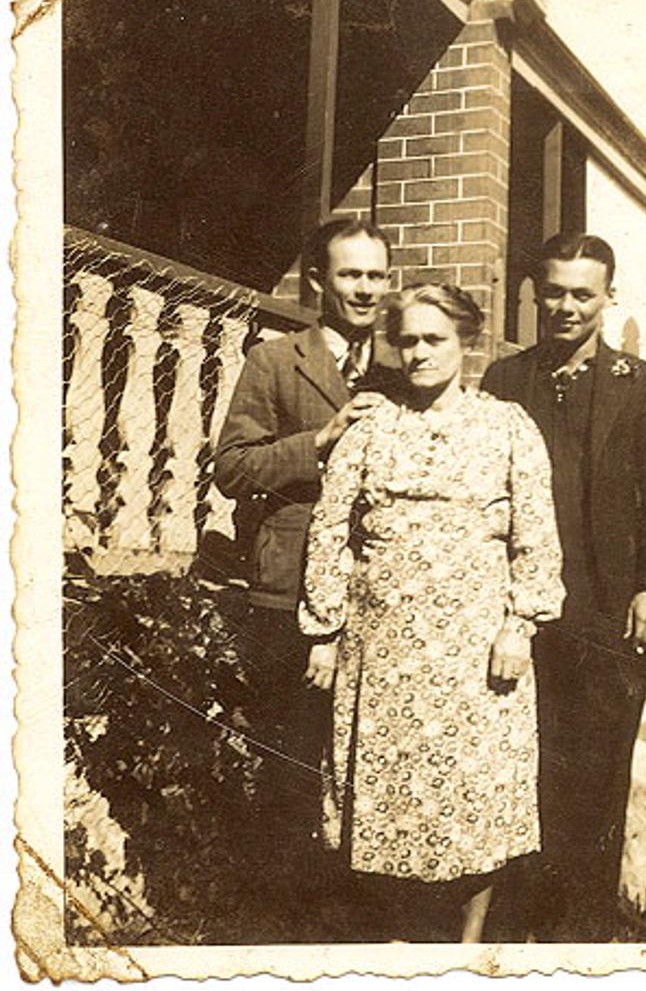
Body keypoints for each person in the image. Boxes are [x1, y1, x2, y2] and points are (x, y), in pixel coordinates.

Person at [298, 283, 565, 943]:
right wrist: (324, 631)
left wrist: (518, 624)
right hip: (382, 647)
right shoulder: (369, 424)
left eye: (433, 339)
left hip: (474, 648)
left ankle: (467, 946)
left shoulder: (507, 425)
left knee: (475, 790)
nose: (418, 353)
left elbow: (537, 534)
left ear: (465, 341)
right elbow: (331, 529)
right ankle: (396, 940)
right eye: (407, 340)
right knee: (385, 791)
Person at [481, 232, 646, 941]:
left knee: (599, 774)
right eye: (555, 291)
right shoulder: (505, 380)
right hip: (526, 612)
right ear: (537, 292)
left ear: (608, 296)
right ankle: (515, 927)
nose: (566, 306)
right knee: (527, 767)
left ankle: (583, 936)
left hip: (608, 610)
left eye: (582, 293)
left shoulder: (642, 381)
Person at [213, 216, 400, 937]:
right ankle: (275, 922)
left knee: (362, 755)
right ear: (319, 280)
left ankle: (348, 915)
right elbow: (233, 468)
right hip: (289, 585)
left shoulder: (401, 363)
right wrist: (319, 441)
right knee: (291, 752)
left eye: (375, 276)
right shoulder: (275, 360)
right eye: (350, 275)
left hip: (380, 591)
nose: (364, 289)